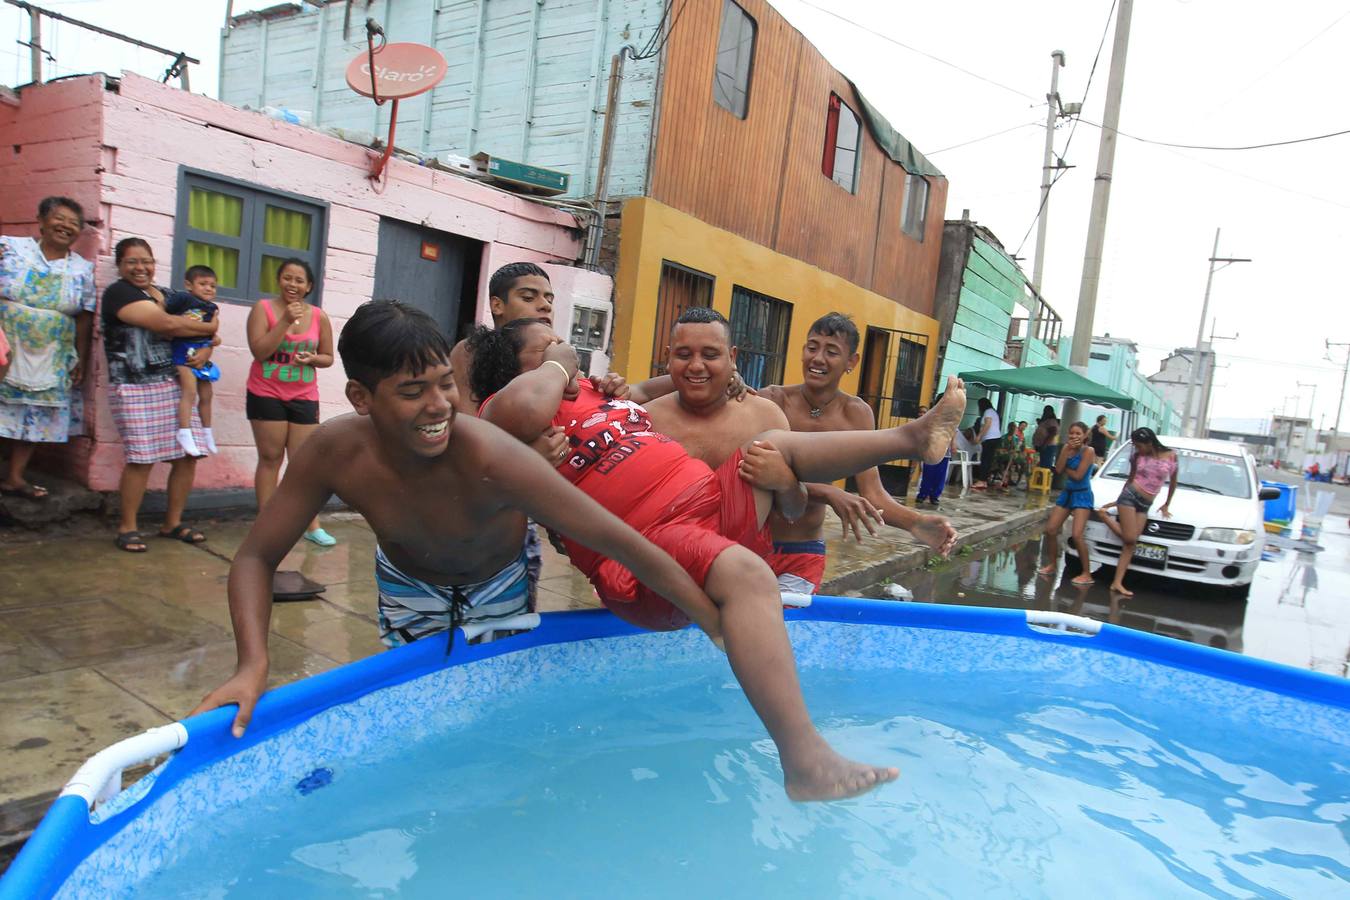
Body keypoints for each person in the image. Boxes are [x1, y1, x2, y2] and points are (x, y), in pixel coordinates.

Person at [195, 300, 884, 804]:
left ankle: (501, 802)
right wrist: (252, 664)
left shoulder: (485, 447)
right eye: (413, 393)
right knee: (421, 708)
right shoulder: (332, 451)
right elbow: (255, 557)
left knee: (494, 713)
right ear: (359, 397)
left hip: (497, 582)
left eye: (444, 385)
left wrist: (708, 616)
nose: (439, 406)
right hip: (409, 585)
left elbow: (618, 539)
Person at [473, 317, 966, 799]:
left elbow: (789, 503)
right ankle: (805, 761)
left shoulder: (599, 394)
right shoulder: (512, 415)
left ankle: (912, 440)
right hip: (646, 544)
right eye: (546, 348)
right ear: (514, 372)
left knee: (770, 446)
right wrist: (558, 367)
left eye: (560, 343)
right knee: (751, 576)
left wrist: (785, 474)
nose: (562, 350)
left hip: (705, 507)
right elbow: (517, 412)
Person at [650, 310, 957, 594]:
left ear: (852, 362)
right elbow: (754, 471)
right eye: (812, 347)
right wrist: (828, 492)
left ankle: (915, 439)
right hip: (755, 545)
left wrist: (914, 523)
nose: (818, 358)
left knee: (782, 631)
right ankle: (913, 438)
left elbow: (873, 494)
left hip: (802, 549)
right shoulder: (773, 401)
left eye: (831, 351)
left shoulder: (856, 414)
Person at [102, 239, 219, 552]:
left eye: (146, 261)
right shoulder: (119, 293)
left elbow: (210, 320)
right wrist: (194, 329)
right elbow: (164, 323)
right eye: (132, 262)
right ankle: (128, 527)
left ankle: (172, 523)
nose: (140, 268)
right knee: (141, 458)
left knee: (188, 454)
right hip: (133, 384)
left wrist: (206, 344)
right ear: (120, 266)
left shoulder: (167, 294)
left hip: (173, 384)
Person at [0, 197, 97, 500]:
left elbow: (84, 315)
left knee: (33, 415)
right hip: (6, 342)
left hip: (51, 350)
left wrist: (79, 355)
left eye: (74, 223)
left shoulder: (82, 268)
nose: (66, 226)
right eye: (60, 218)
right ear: (41, 220)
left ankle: (14, 478)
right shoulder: (10, 248)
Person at [245, 258, 337, 547]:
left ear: (308, 286)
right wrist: (285, 321)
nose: (292, 285)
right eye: (287, 278)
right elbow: (260, 351)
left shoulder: (319, 316)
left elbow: (328, 357)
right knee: (271, 458)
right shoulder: (263, 309)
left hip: (303, 396)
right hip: (266, 392)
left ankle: (312, 525)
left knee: (303, 463)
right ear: (278, 280)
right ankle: (266, 523)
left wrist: (313, 359)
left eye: (299, 280)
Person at [1096, 427, 1178, 597]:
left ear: (1149, 442)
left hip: (1146, 504)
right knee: (1130, 538)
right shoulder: (1137, 456)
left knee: (1130, 544)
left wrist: (1166, 504)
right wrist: (1117, 501)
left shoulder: (1171, 455)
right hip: (1130, 497)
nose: (1137, 449)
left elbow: (1173, 482)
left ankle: (1117, 582)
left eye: (1139, 445)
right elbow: (1131, 478)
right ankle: (1104, 515)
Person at [165, 265, 221, 457]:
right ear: (189, 285)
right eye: (203, 284)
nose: (208, 289)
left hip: (201, 350)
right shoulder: (183, 299)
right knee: (189, 390)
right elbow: (165, 315)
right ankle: (184, 431)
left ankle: (207, 432)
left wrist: (215, 339)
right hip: (182, 351)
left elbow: (213, 330)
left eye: (212, 286)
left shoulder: (212, 307)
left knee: (207, 394)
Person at [1036, 421, 1097, 586]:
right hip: (1067, 493)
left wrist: (1066, 466)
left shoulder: (1089, 451)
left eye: (1078, 433)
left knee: (1077, 535)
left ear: (1085, 435)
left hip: (1082, 494)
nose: (1074, 436)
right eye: (1072, 433)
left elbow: (1077, 476)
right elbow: (1058, 469)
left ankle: (1086, 573)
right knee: (1050, 529)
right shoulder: (1066, 448)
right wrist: (1068, 451)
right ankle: (1052, 565)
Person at [972, 397, 1002, 488]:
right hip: (995, 438)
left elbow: (987, 424)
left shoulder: (988, 412)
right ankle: (984, 480)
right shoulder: (993, 411)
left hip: (990, 439)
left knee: (985, 460)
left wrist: (979, 436)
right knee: (988, 460)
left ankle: (981, 480)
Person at [1031, 405, 1060, 471]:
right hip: (1043, 445)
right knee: (1042, 464)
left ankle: (1043, 480)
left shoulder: (1051, 421)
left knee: (1045, 466)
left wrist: (1045, 444)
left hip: (1048, 446)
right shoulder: (1046, 421)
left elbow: (1053, 433)